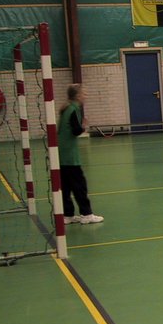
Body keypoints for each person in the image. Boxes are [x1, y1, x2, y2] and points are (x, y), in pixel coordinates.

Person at [58, 84, 103, 224]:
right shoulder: (73, 109)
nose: (86, 95)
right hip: (70, 156)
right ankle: (86, 214)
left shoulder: (66, 109)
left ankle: (68, 215)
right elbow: (76, 131)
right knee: (79, 185)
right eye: (84, 93)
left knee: (66, 186)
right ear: (77, 96)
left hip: (62, 154)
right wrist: (83, 126)